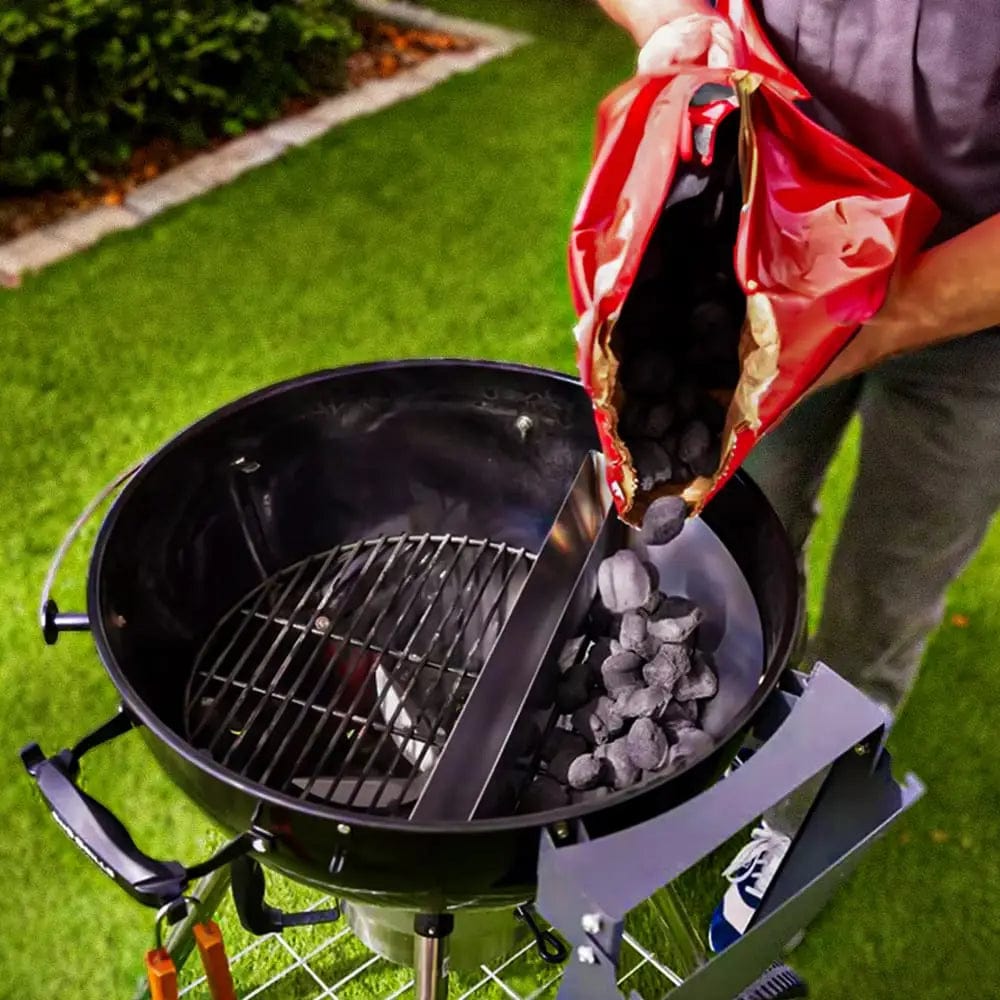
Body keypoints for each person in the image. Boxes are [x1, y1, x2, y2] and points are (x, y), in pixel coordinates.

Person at [595, 0, 1000, 952]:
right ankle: (673, 741)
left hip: (979, 321)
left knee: (888, 587)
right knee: (724, 532)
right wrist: (670, 22)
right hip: (759, 244)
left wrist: (875, 323)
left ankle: (803, 806)